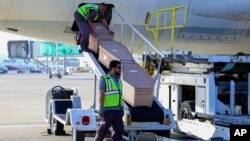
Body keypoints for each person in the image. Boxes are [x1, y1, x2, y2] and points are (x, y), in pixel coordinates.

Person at [94, 60, 124, 141]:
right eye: (119, 67)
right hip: (108, 111)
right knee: (102, 132)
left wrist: (122, 108)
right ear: (112, 68)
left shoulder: (119, 80)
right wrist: (101, 107)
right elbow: (101, 94)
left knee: (119, 132)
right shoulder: (104, 79)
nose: (120, 69)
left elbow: (119, 95)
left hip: (118, 111)